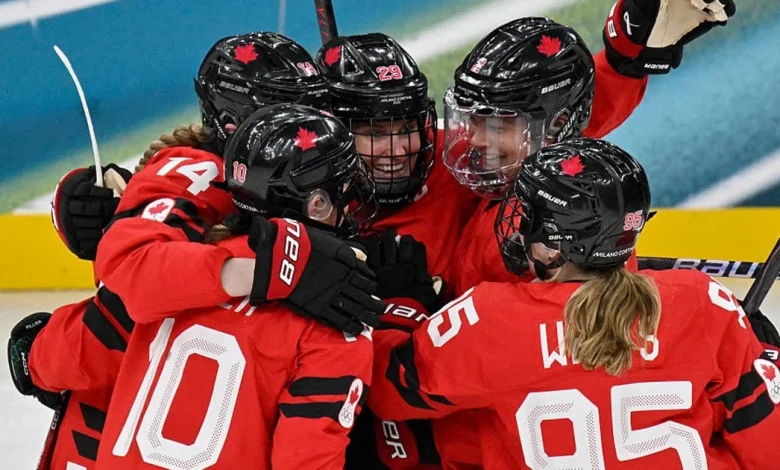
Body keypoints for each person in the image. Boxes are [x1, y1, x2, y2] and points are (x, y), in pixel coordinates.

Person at [7, 32, 382, 470]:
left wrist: (41, 357)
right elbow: (128, 293)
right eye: (289, 107)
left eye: (316, 105)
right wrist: (267, 270)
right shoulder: (197, 174)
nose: (307, 125)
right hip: (109, 409)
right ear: (231, 118)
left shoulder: (264, 184)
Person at [368, 137, 780, 469]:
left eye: (526, 216)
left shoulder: (490, 318)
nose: (517, 227)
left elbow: (388, 394)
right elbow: (767, 448)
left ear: (554, 247)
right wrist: (766, 357)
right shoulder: (703, 302)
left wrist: (401, 305)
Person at [85, 104, 376, 470]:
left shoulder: (177, 274)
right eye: (346, 189)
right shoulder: (340, 312)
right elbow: (306, 461)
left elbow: (87, 337)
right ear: (317, 204)